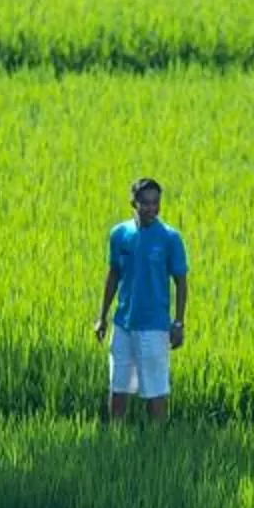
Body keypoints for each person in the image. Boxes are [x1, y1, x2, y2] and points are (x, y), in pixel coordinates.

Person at [95, 176, 189, 422]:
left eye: (156, 203)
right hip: (123, 324)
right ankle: (115, 441)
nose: (151, 208)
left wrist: (178, 323)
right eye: (145, 203)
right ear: (133, 203)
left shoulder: (170, 238)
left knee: (155, 390)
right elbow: (113, 274)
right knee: (118, 386)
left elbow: (181, 282)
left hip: (154, 327)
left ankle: (156, 443)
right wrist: (102, 317)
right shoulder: (119, 234)